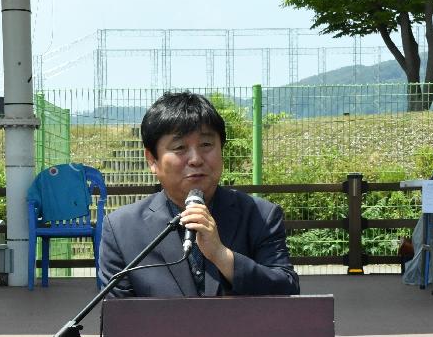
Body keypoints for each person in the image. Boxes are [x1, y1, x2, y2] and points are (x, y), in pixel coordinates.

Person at [99, 91, 299, 298]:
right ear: (152, 160)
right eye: (179, 148)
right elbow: (118, 319)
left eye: (206, 145)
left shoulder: (261, 215)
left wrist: (221, 255)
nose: (195, 159)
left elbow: (286, 290)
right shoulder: (121, 228)